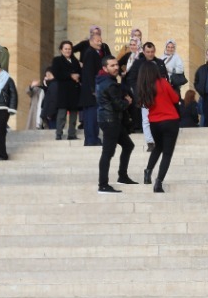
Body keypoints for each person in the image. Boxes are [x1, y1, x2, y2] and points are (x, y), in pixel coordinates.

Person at [136, 59, 181, 192]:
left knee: (158, 147)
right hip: (170, 120)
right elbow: (175, 99)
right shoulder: (162, 82)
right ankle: (159, 182)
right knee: (167, 153)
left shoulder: (143, 87)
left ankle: (148, 172)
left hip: (154, 122)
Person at [95, 54, 138, 193]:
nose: (115, 68)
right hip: (110, 121)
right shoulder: (110, 84)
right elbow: (119, 105)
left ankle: (122, 176)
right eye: (112, 66)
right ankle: (103, 184)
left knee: (128, 145)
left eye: (116, 65)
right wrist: (128, 101)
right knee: (108, 152)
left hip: (110, 120)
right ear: (105, 68)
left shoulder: (104, 81)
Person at [72, 26, 108, 143]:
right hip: (91, 91)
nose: (100, 43)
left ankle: (90, 139)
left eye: (101, 41)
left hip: (89, 91)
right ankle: (92, 139)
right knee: (92, 116)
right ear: (91, 42)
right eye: (97, 41)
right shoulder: (91, 53)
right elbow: (89, 73)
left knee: (89, 116)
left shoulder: (92, 52)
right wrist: (94, 89)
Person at [49, 41, 81, 141]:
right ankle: (59, 133)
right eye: (66, 49)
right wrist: (70, 75)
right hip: (63, 90)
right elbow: (57, 73)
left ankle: (72, 134)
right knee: (62, 114)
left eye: (70, 49)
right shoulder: (57, 60)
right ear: (61, 50)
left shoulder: (75, 61)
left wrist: (78, 76)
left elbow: (80, 72)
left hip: (74, 91)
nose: (68, 51)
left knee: (73, 114)